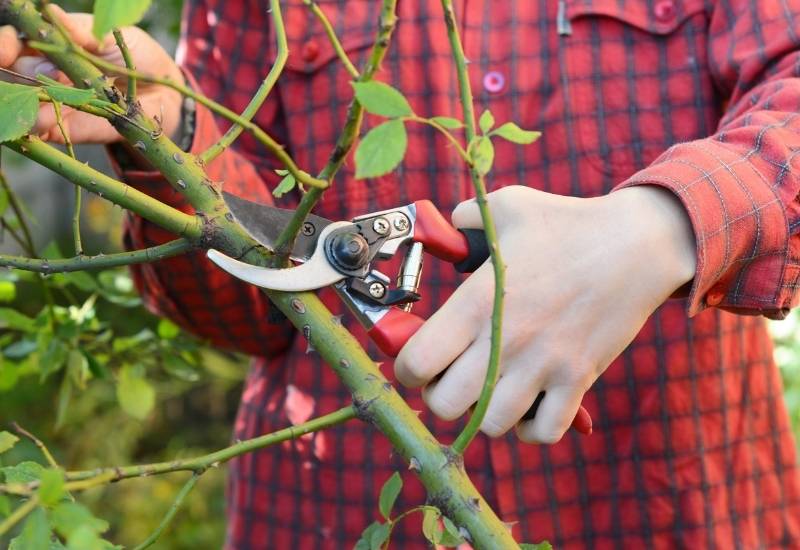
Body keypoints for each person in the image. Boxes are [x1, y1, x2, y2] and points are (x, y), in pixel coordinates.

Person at [2, 1, 799, 548]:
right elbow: (243, 312)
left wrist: (661, 223)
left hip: (674, 502)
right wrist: (162, 121)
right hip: (330, 510)